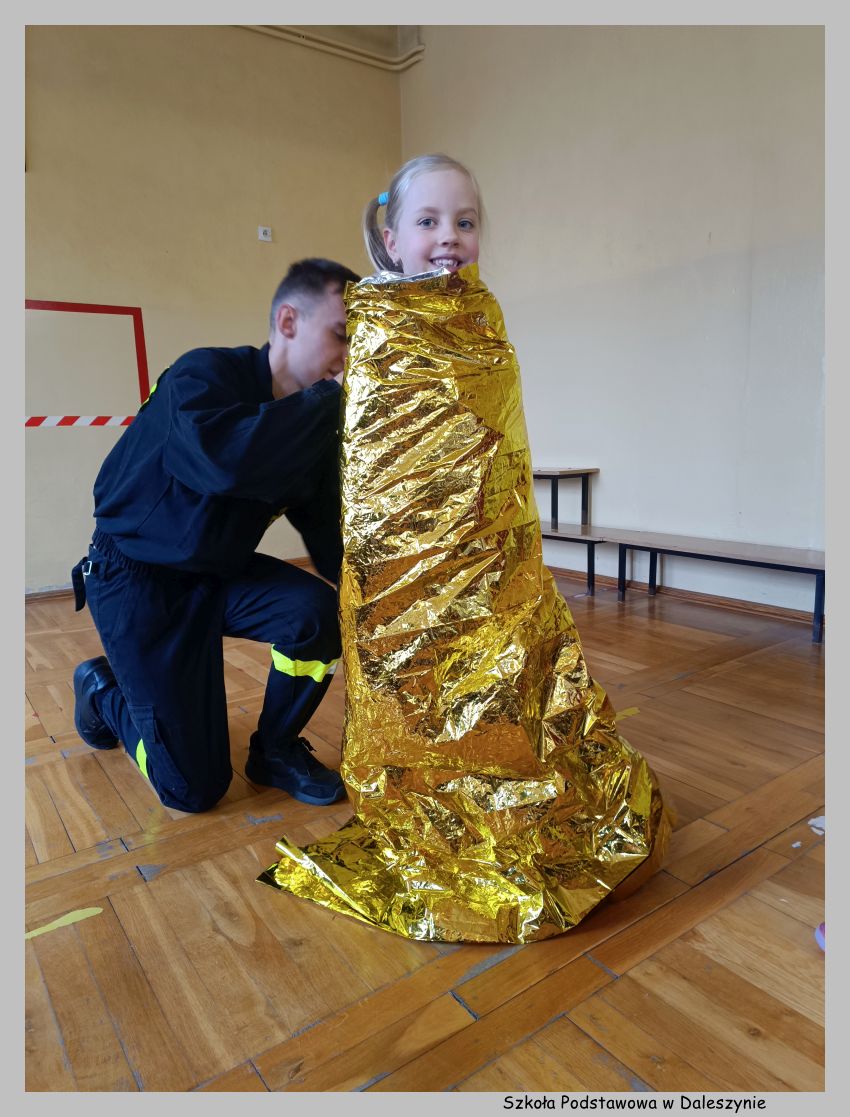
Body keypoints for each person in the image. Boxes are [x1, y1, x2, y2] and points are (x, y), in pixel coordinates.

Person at [260, 157, 671, 942]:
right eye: (429, 221)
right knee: (425, 678)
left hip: (487, 552)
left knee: (504, 669)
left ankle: (502, 778)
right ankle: (434, 789)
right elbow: (373, 467)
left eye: (465, 221)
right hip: (408, 563)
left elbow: (499, 444)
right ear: (391, 238)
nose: (449, 236)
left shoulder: (481, 317)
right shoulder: (380, 327)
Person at [70, 257, 361, 814]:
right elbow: (222, 462)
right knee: (192, 790)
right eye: (342, 335)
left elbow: (330, 542)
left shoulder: (313, 429)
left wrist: (387, 603)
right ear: (289, 321)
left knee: (319, 615)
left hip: (219, 574)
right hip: (136, 579)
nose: (350, 356)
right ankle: (103, 691)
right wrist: (331, 398)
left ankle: (275, 750)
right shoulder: (202, 375)